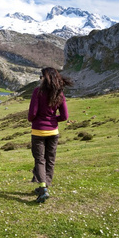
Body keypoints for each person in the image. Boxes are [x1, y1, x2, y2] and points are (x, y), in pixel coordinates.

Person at [28, 67, 73, 203]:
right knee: (50, 159)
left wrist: (38, 120)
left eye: (40, 77)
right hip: (53, 132)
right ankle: (45, 185)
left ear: (44, 78)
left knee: (40, 159)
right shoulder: (60, 94)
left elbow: (31, 115)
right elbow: (65, 116)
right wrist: (52, 120)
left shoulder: (38, 92)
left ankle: (42, 187)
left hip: (38, 132)